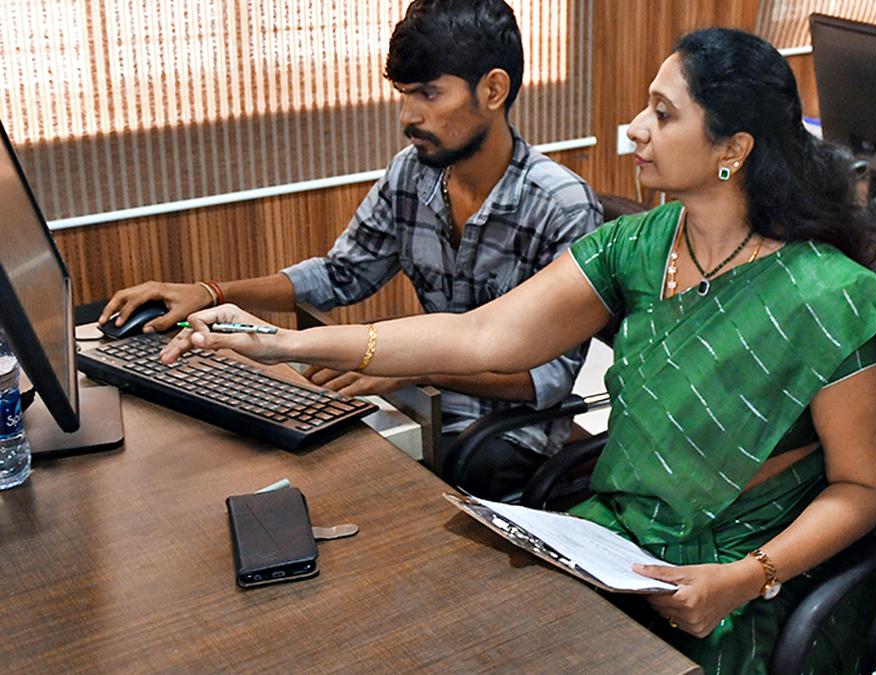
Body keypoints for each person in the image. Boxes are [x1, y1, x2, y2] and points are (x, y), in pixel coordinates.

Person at [162, 28, 876, 674]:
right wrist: (284, 343)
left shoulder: (826, 295)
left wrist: (746, 577)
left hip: (745, 585)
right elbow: (483, 333)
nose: (635, 129)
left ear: (732, 148)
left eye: (662, 114)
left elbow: (864, 484)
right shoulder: (641, 246)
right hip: (618, 545)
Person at [99, 0, 603, 500]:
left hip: (501, 434)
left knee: (350, 486)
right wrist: (212, 292)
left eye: (429, 93)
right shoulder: (412, 172)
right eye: (404, 95)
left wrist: (406, 367)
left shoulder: (560, 207)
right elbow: (342, 273)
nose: (409, 116)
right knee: (275, 453)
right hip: (412, 400)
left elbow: (545, 378)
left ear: (493, 89)